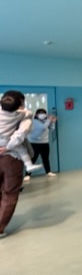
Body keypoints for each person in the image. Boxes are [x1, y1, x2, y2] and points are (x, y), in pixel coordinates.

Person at [0, 91, 33, 238]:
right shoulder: (23, 117)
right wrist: (7, 147)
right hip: (12, 158)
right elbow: (20, 136)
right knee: (10, 193)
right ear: (20, 103)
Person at [0, 96, 41, 176]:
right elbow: (29, 114)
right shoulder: (17, 115)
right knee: (22, 150)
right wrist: (7, 148)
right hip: (8, 141)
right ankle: (29, 165)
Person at [25, 109, 57, 180]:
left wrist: (53, 122)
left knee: (45, 158)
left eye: (44, 113)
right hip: (34, 143)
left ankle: (48, 172)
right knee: (33, 159)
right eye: (40, 113)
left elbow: (51, 128)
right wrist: (49, 120)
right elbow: (42, 127)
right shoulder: (34, 121)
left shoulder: (46, 121)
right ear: (36, 114)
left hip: (45, 143)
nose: (42, 114)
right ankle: (27, 175)